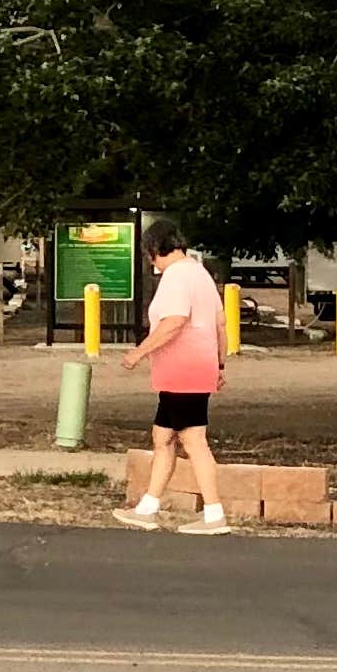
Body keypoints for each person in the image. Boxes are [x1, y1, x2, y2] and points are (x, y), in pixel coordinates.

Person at [115, 219, 231, 534]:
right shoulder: (200, 273)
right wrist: (219, 365)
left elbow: (174, 322)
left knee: (193, 440)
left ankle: (214, 514)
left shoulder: (176, 276)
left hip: (183, 369)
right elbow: (220, 323)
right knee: (163, 437)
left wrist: (138, 352)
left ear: (155, 249)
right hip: (194, 369)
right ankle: (147, 508)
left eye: (149, 255)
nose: (150, 262)